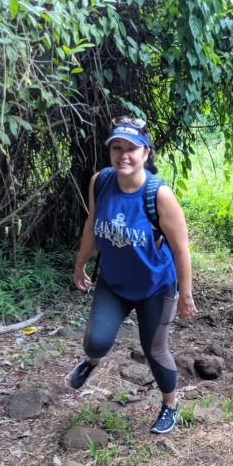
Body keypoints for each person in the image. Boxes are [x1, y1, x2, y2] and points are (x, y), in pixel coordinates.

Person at [67, 116, 197, 435]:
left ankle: (169, 405)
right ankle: (92, 362)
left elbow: (181, 250)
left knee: (154, 350)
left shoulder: (158, 195)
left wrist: (186, 296)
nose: (123, 154)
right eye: (116, 147)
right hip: (113, 282)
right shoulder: (101, 181)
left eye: (132, 148)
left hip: (155, 287)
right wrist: (80, 263)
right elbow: (91, 225)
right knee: (96, 342)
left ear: (146, 153)